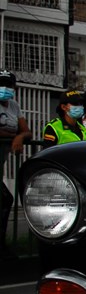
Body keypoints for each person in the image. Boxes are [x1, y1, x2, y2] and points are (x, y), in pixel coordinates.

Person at [1, 70, 32, 256]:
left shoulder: (13, 106)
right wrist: (14, 136)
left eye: (8, 85)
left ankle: (3, 246)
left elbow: (27, 131)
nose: (4, 88)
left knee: (5, 200)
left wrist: (20, 136)